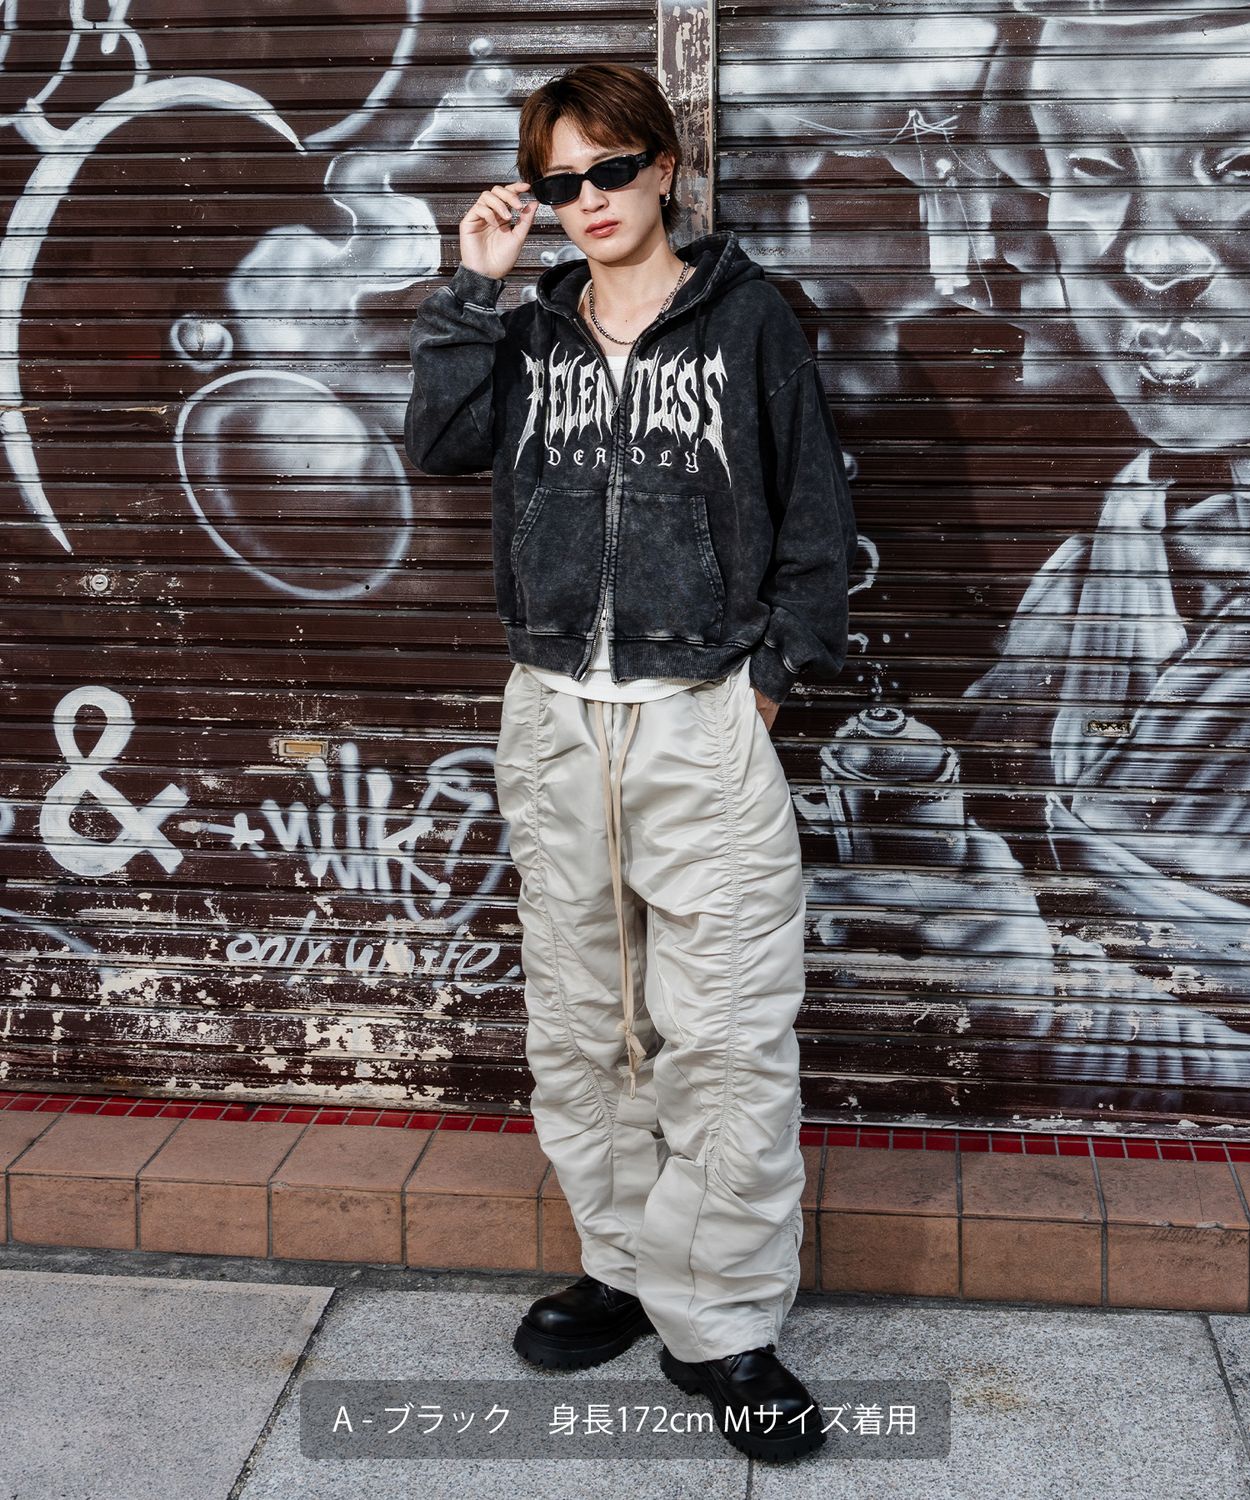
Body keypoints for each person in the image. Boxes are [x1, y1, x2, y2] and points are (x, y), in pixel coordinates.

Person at [404, 61, 856, 1464]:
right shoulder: (532, 327)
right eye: (558, 181)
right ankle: (619, 1265)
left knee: (720, 1030)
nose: (587, 200)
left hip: (696, 711)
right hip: (552, 712)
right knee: (584, 1021)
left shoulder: (749, 319)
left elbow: (815, 515)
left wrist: (766, 687)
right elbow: (438, 445)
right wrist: (473, 288)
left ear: (663, 167)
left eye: (609, 169)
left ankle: (718, 1324)